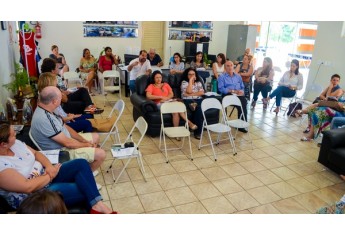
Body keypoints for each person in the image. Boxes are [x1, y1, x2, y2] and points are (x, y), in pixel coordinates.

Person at [0, 124, 115, 213]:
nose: (16, 134)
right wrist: (50, 176)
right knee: (84, 188)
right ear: (3, 144)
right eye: (13, 134)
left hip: (46, 174)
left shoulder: (16, 144)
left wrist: (49, 167)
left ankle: (97, 206)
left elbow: (36, 154)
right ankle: (98, 207)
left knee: (81, 163)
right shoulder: (2, 165)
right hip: (35, 196)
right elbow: (27, 187)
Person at [30, 86, 106, 173]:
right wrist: (87, 145)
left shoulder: (47, 109)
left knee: (95, 136)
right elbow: (67, 143)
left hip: (65, 142)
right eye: (60, 98)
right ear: (54, 101)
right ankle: (86, 174)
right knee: (101, 154)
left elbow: (65, 127)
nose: (62, 99)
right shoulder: (45, 119)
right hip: (62, 152)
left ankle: (83, 168)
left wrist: (83, 140)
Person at [146, 71, 197, 141]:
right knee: (175, 109)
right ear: (153, 79)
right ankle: (189, 123)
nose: (159, 79)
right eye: (157, 77)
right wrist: (160, 97)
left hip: (168, 101)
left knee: (176, 111)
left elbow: (171, 94)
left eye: (160, 77)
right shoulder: (151, 86)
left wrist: (167, 98)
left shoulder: (166, 84)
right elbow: (148, 96)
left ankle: (176, 133)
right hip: (160, 103)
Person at [218, 60, 248, 133]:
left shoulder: (238, 76)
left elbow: (242, 87)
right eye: (228, 66)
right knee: (240, 101)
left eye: (231, 65)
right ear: (225, 68)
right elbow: (221, 88)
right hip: (228, 94)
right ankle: (234, 122)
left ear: (233, 66)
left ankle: (242, 124)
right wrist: (233, 91)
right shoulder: (222, 77)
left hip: (238, 95)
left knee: (243, 102)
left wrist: (241, 92)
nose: (230, 67)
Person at [180, 68, 205, 139]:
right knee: (198, 109)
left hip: (197, 100)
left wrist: (191, 94)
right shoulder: (184, 82)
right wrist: (191, 80)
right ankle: (198, 133)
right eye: (189, 74)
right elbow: (188, 91)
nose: (191, 75)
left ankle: (194, 106)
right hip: (188, 100)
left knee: (198, 109)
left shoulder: (198, 82)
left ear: (195, 75)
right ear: (187, 75)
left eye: (193, 74)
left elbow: (202, 92)